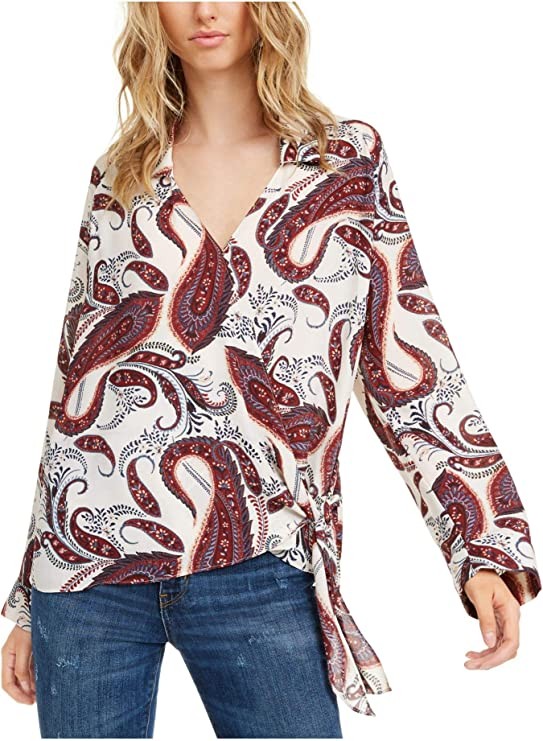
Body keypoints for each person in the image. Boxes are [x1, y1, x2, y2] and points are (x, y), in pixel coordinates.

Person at [1, 1, 541, 738]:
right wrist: (29, 596)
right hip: (87, 577)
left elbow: (410, 362)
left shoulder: (344, 164)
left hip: (262, 562)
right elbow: (77, 393)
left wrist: (481, 548)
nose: (204, 10)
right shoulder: (119, 177)